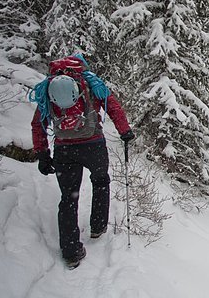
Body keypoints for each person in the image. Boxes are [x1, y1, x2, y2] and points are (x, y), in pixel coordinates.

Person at [30, 54, 134, 269]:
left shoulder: (47, 88)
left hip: (63, 149)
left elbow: (38, 123)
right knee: (100, 182)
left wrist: (42, 153)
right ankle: (97, 226)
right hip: (93, 145)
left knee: (68, 197)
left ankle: (71, 251)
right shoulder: (90, 82)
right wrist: (125, 131)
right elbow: (113, 106)